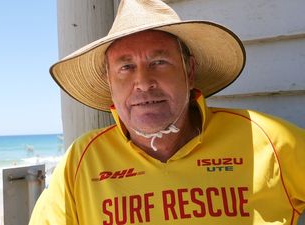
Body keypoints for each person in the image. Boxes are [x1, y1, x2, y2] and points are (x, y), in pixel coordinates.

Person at [29, 0, 305, 224]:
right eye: (125, 67)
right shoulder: (81, 163)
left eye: (159, 62)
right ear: (110, 83)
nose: (143, 82)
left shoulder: (267, 140)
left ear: (190, 71)